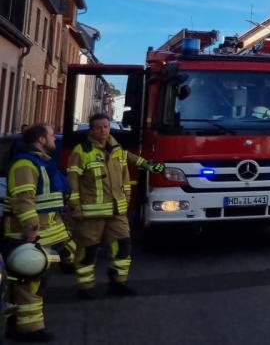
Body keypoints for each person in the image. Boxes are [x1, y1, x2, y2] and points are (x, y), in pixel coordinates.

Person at [65, 113, 163, 299]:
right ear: (91, 130)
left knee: (123, 246)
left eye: (106, 126)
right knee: (88, 251)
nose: (103, 130)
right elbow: (73, 180)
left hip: (117, 211)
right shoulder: (81, 151)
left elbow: (135, 159)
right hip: (91, 213)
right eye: (98, 127)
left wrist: (155, 167)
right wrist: (75, 206)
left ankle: (118, 283)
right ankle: (84, 287)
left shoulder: (116, 148)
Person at [4, 123, 71, 341]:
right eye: (51, 135)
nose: (54, 139)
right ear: (41, 139)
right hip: (27, 235)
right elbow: (24, 200)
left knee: (33, 282)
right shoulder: (25, 164)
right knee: (28, 282)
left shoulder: (41, 162)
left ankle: (14, 323)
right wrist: (30, 229)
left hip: (46, 234)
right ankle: (29, 329)